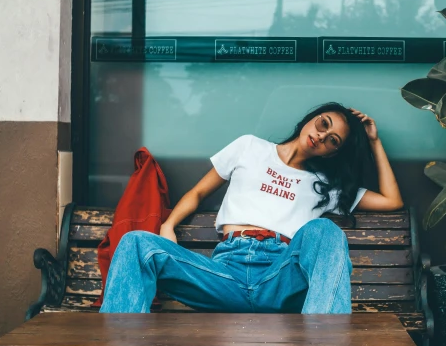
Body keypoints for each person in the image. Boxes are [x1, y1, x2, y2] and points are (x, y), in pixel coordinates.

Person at [100, 102, 403, 316]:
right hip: (223, 275)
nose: (321, 136)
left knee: (325, 230)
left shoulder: (325, 185)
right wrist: (168, 226)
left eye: (332, 140)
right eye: (323, 124)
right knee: (137, 243)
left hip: (279, 276)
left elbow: (392, 201)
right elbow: (198, 192)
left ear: (333, 152)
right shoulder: (249, 148)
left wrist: (374, 142)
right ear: (311, 118)